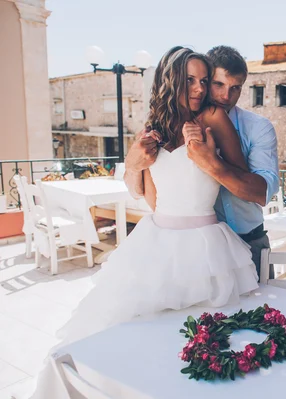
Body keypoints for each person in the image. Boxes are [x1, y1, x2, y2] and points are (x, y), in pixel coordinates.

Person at [31, 46, 260, 398]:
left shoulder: (213, 117)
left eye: (203, 81)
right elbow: (146, 196)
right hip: (155, 241)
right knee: (137, 333)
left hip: (205, 245)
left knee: (204, 339)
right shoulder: (152, 128)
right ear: (170, 80)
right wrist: (135, 164)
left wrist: (207, 159)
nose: (200, 89)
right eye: (190, 80)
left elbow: (245, 182)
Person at [124, 45, 279, 277]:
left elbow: (263, 193)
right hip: (181, 243)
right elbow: (153, 199)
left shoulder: (256, 127)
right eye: (217, 84)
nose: (226, 96)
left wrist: (210, 163)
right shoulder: (156, 129)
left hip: (246, 238)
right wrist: (133, 165)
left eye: (235, 88)